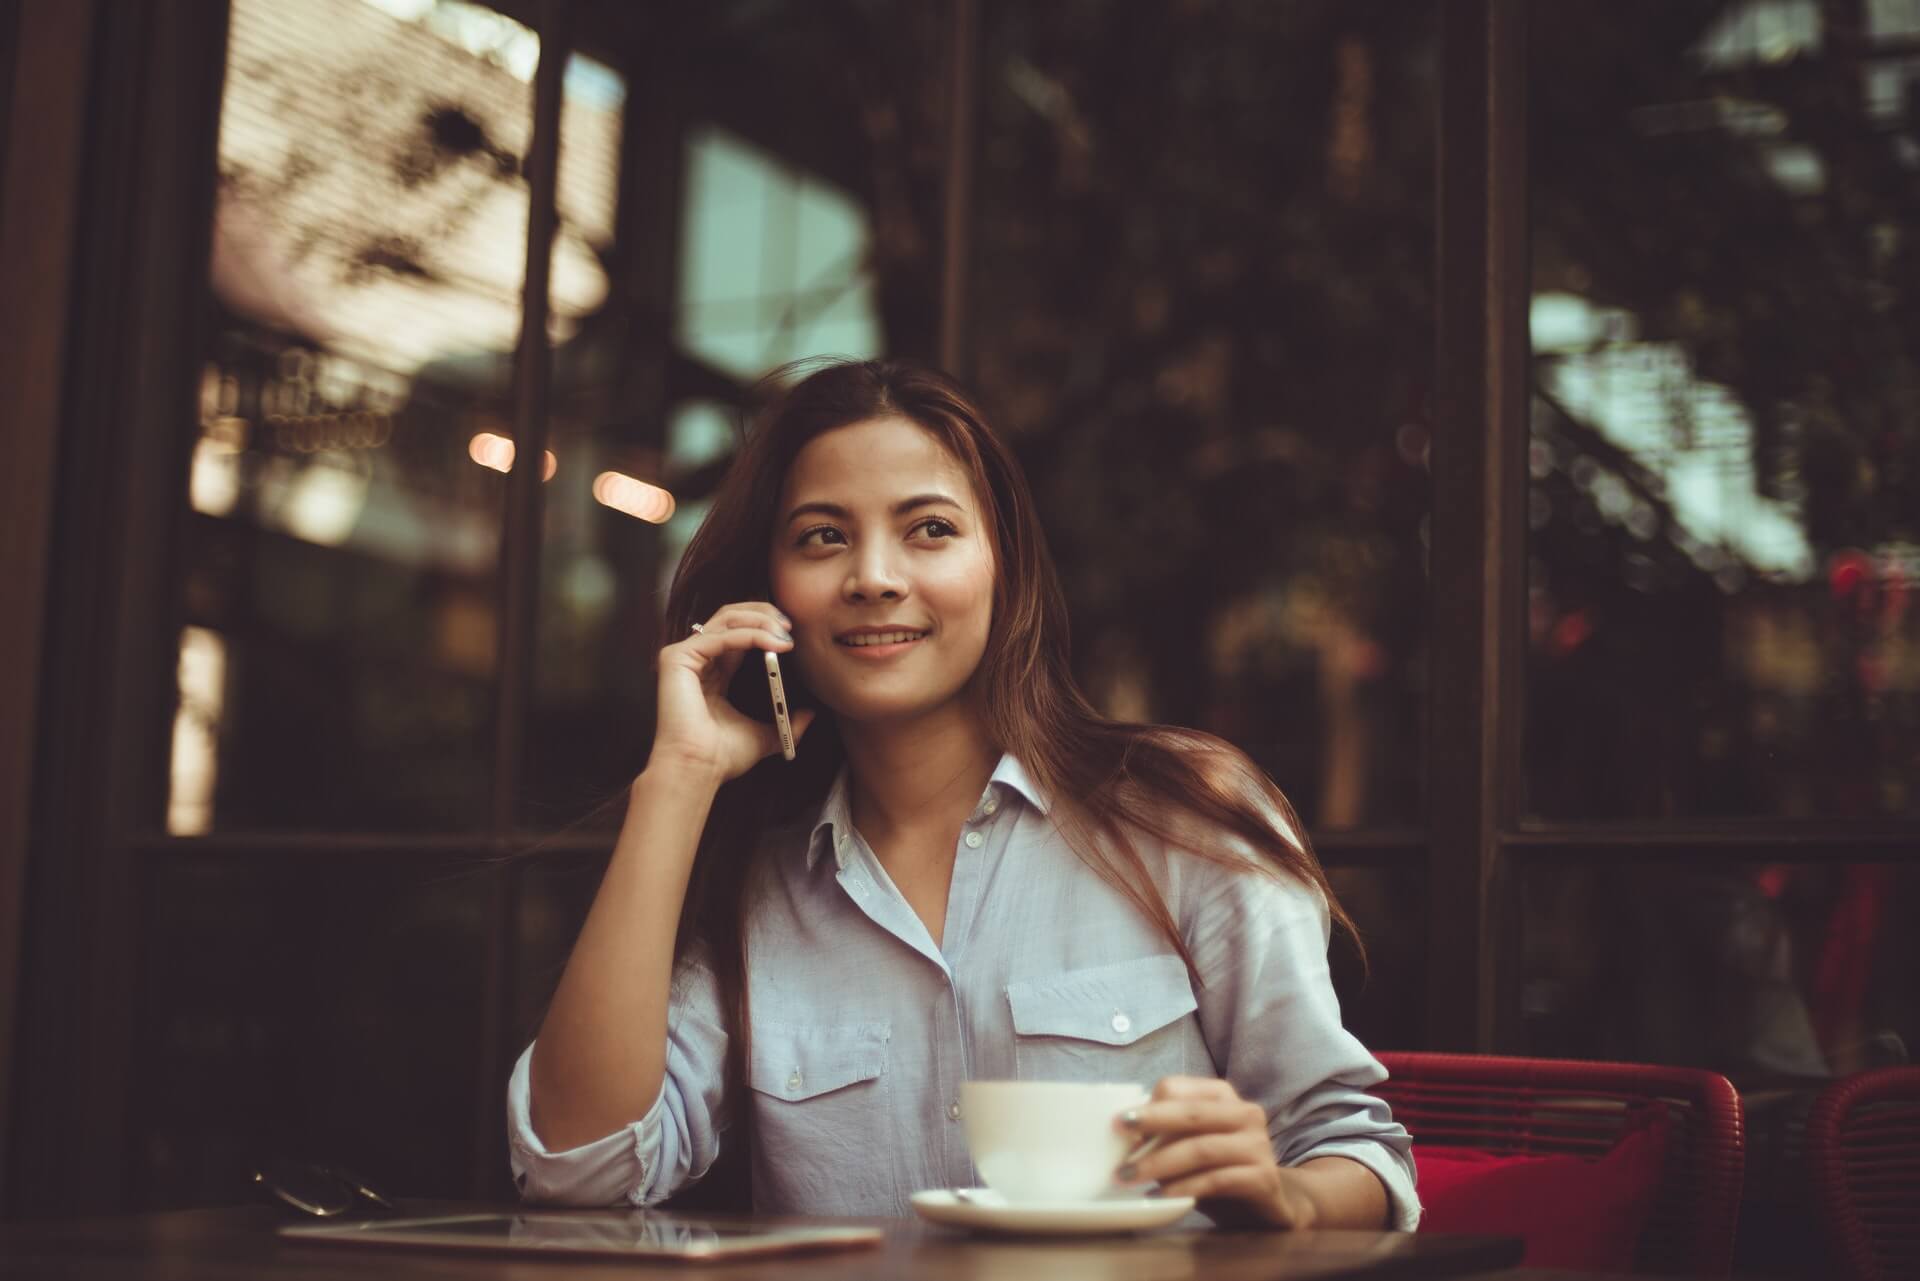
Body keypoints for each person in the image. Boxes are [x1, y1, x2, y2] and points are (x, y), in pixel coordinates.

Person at [507, 359, 1419, 1230]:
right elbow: (576, 1168)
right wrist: (676, 780)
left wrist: (1286, 1197)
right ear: (772, 593)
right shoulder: (754, 885)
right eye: (823, 536)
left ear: (1003, 567)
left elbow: (1354, 1151)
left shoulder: (1179, 817)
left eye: (929, 529)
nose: (872, 576)